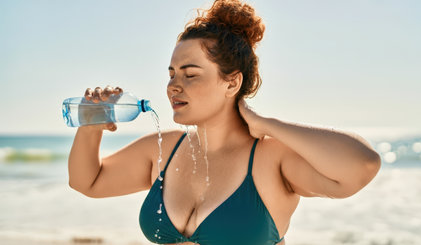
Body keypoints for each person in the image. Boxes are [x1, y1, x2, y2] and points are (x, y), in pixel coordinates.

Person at [68, 0, 381, 244]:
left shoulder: (270, 158)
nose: (173, 86)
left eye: (190, 74)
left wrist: (267, 124)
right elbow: (88, 182)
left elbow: (362, 166)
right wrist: (91, 124)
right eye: (172, 74)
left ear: (231, 83)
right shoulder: (164, 149)